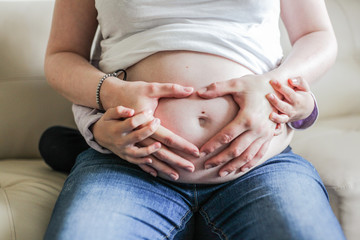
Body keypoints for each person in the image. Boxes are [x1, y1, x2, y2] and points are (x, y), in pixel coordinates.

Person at [43, 0, 344, 239]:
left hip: (259, 164)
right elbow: (62, 54)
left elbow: (315, 34)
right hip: (127, 165)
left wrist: (277, 83)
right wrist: (110, 94)